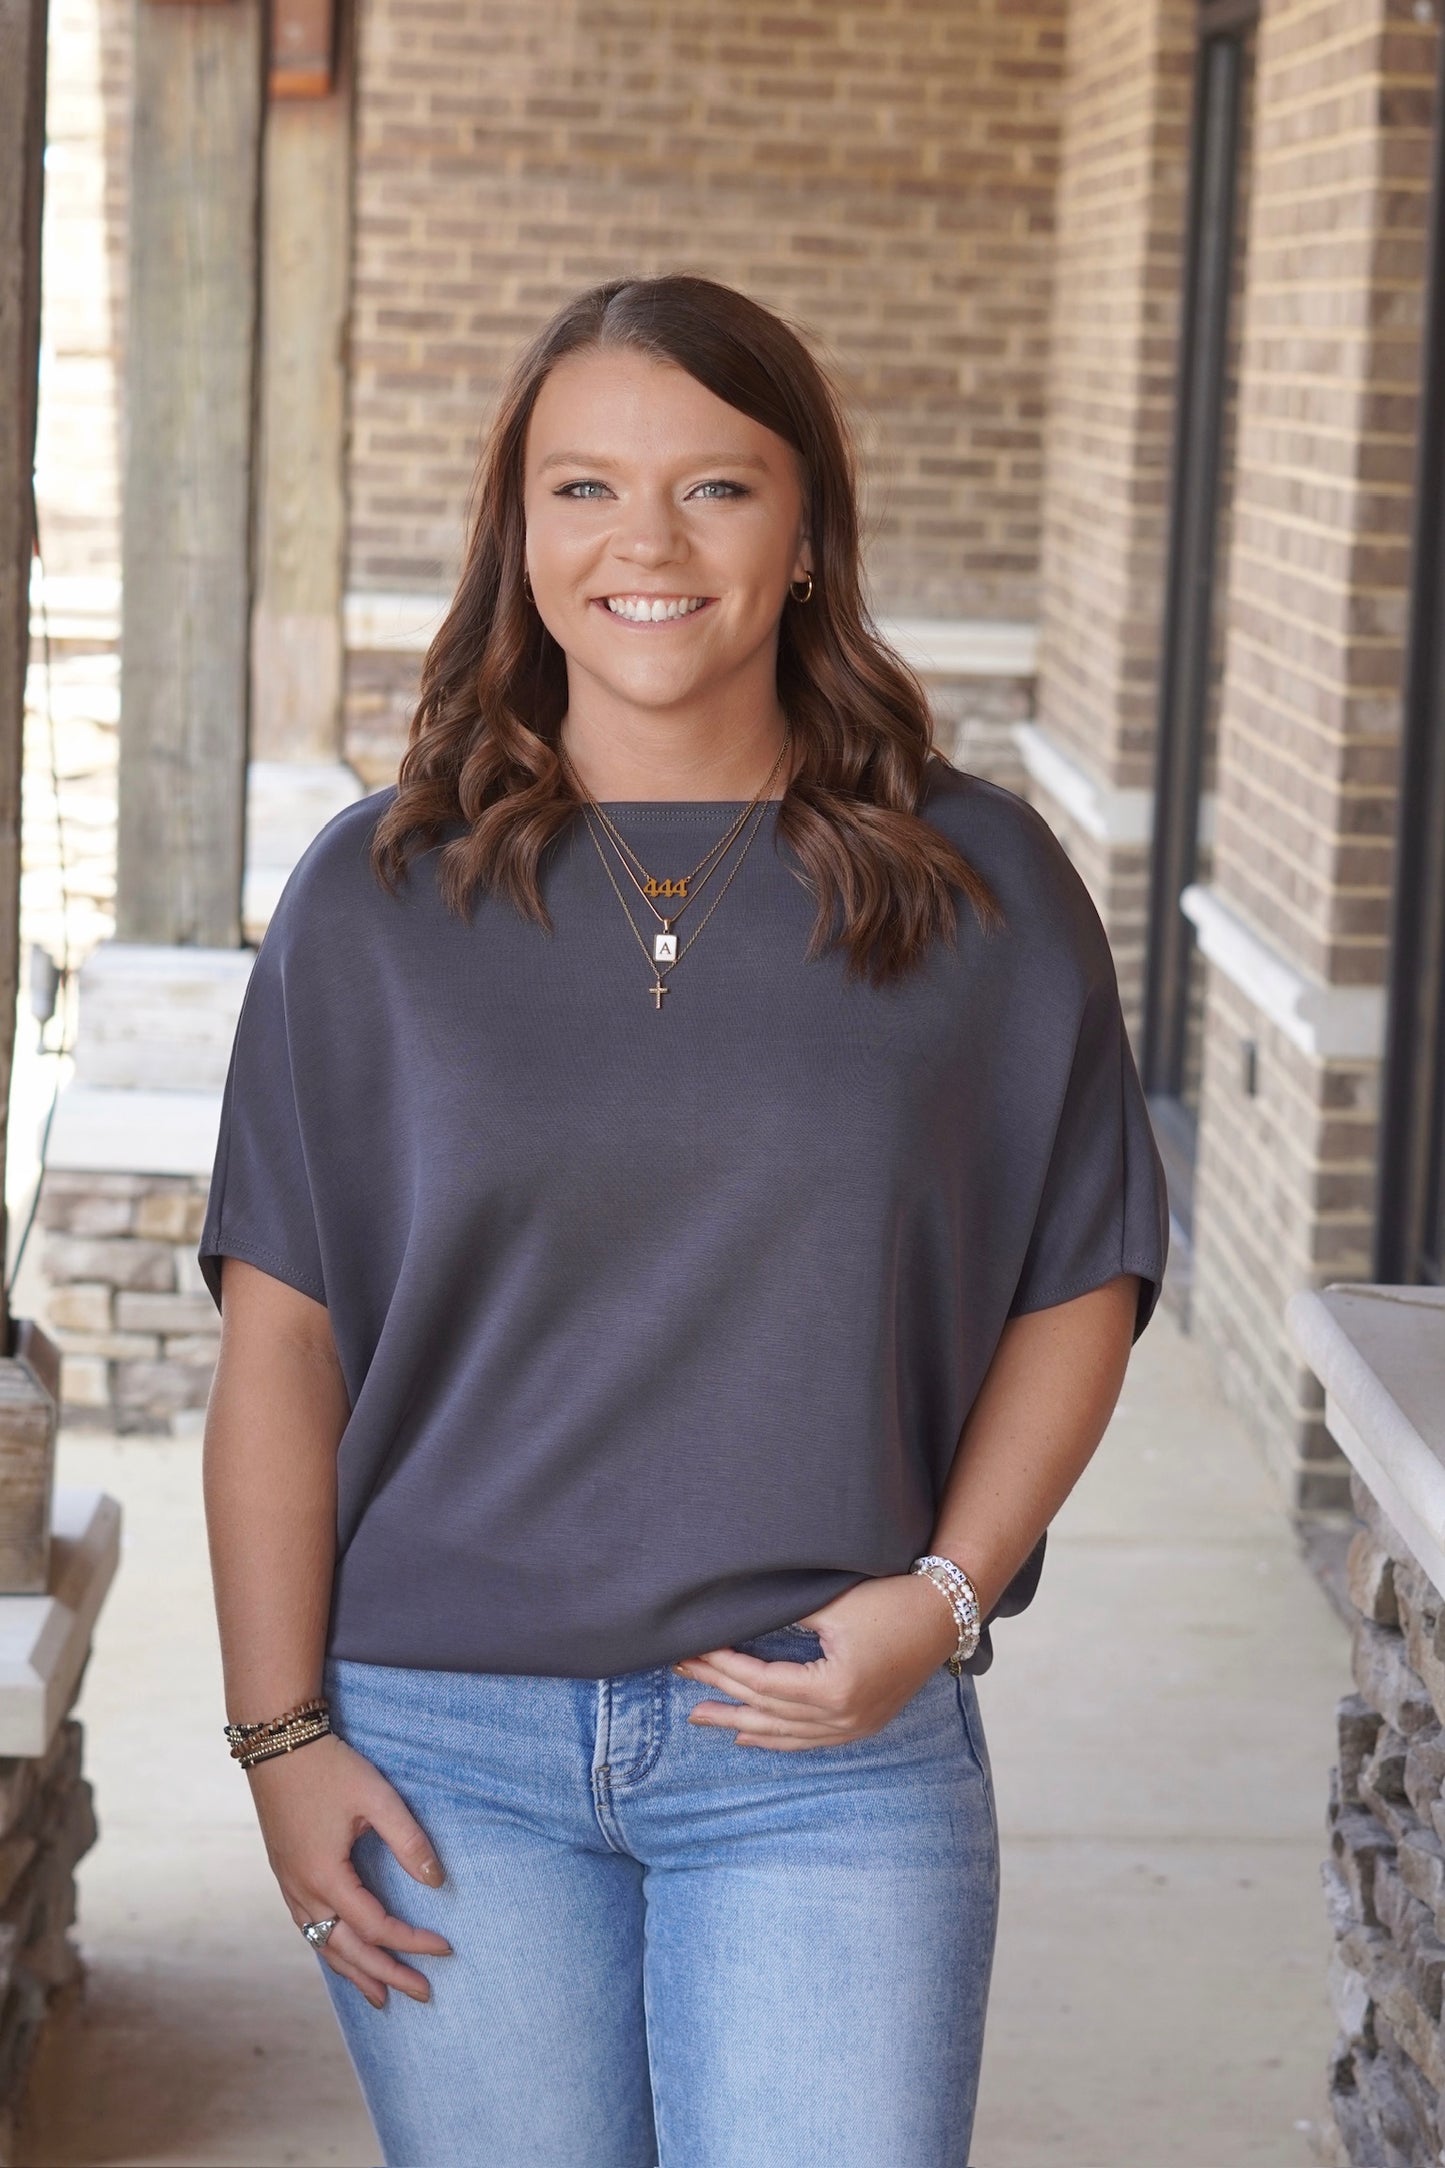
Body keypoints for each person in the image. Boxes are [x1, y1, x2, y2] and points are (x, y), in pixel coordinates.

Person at [199, 273, 1169, 2168]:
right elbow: (282, 1352)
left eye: (715, 488)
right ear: (518, 531)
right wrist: (279, 1739)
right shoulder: (371, 900)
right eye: (581, 490)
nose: (643, 543)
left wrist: (946, 1596)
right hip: (438, 1749)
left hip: (822, 1745)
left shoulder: (976, 883)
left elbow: (1083, 1275)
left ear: (804, 536)